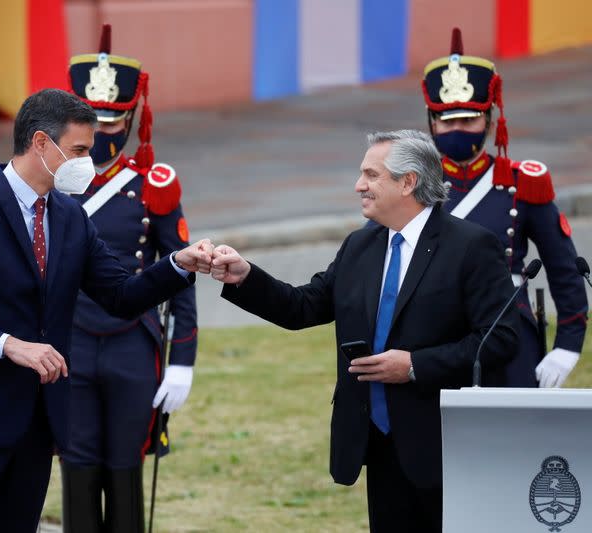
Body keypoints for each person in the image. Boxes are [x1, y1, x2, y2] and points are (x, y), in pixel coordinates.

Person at [0, 88, 213, 533]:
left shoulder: (69, 216)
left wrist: (178, 264)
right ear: (41, 144)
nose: (88, 161)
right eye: (79, 150)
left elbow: (120, 295)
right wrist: (7, 345)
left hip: (36, 425)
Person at [210, 130, 518, 533]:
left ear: (408, 182)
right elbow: (303, 306)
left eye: (371, 175)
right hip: (378, 440)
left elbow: (500, 338)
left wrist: (414, 365)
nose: (359, 186)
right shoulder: (360, 246)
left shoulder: (471, 246)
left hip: (445, 445)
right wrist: (245, 276)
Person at [58, 25, 198, 533]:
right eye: (91, 119)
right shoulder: (50, 184)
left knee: (125, 464)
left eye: (113, 120)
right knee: (75, 461)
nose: (102, 131)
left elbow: (181, 272)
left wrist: (182, 360)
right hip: (67, 340)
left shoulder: (153, 186)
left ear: (131, 116)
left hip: (132, 344)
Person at [421, 27, 587, 387]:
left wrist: (567, 347)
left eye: (469, 119)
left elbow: (564, 268)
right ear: (432, 124)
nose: (458, 129)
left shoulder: (521, 182)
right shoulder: (415, 186)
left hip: (509, 331)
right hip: (433, 337)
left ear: (490, 120)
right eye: (447, 121)